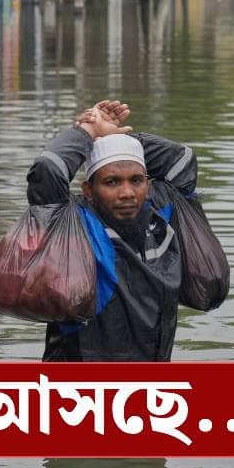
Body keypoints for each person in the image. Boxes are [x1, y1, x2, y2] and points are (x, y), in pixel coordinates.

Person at [26, 100, 202, 361]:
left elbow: (182, 160)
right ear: (89, 191)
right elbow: (47, 170)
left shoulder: (160, 217)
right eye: (111, 182)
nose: (127, 193)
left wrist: (115, 138)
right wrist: (87, 133)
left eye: (136, 180)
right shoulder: (74, 225)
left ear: (147, 183)